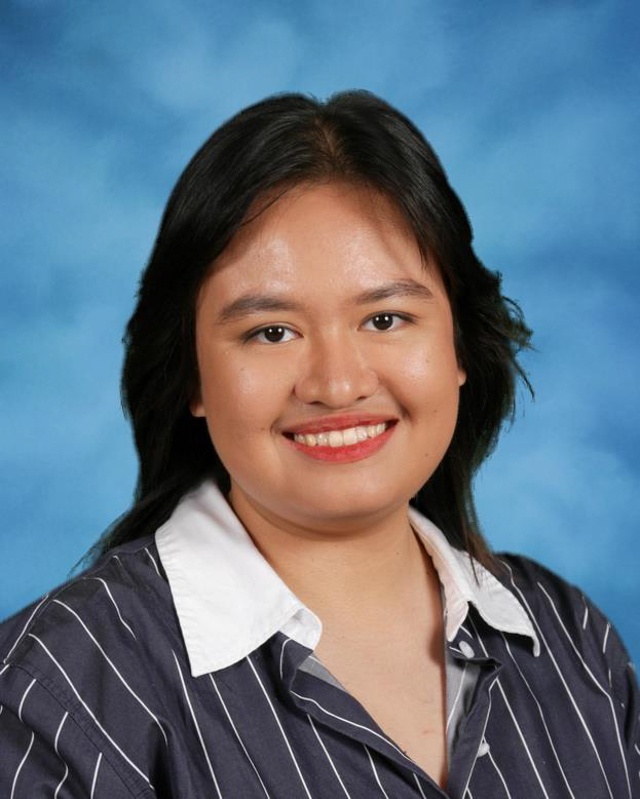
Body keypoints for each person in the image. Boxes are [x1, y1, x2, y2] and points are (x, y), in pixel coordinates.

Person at [0, 91, 637, 798]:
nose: (337, 385)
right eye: (271, 332)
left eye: (386, 318)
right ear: (192, 376)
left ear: (460, 344)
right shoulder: (63, 687)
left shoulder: (573, 640)